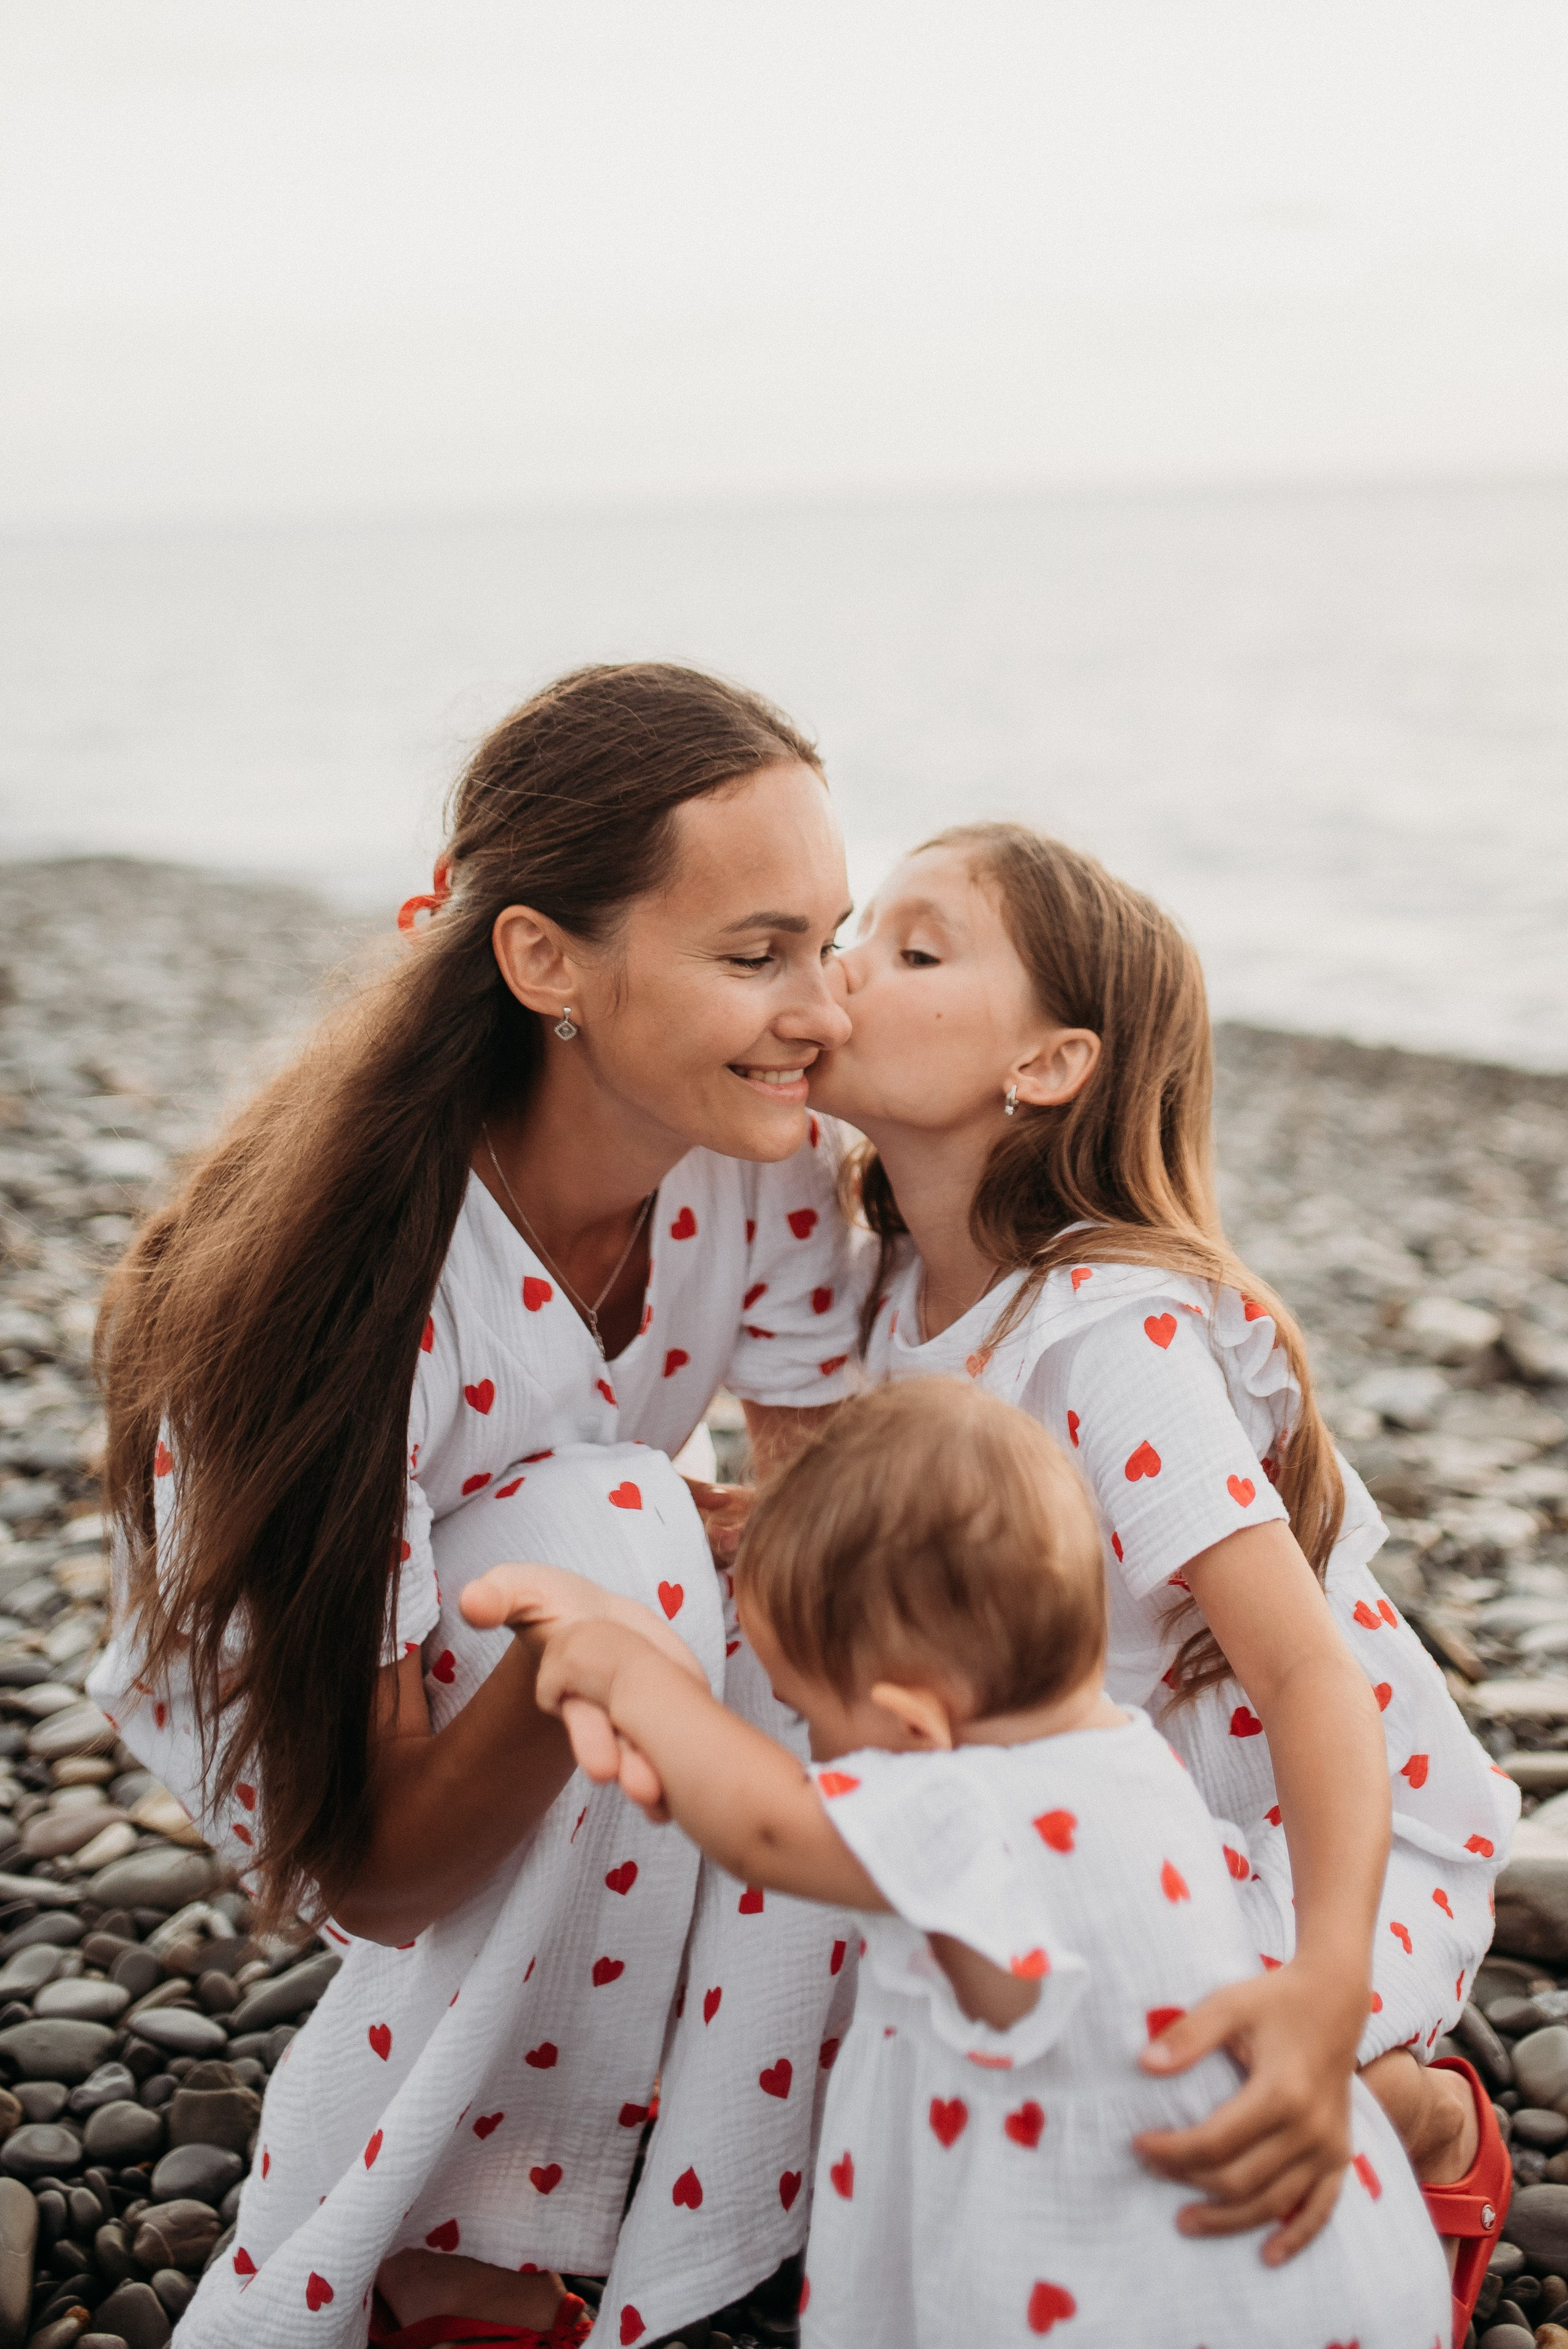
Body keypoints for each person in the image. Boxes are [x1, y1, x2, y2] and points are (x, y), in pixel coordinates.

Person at [89, 663, 866, 2349]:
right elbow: (371, 1872)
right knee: (628, 1532)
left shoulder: (767, 1165)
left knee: (827, 1592)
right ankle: (445, 2247)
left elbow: (831, 1542)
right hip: (316, 1700)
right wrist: (589, 1663)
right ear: (542, 961)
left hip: (549, 1574)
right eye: (758, 955)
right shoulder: (352, 1291)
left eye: (836, 942)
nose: (827, 1011)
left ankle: (735, 2189)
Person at [799, 821, 1515, 2341]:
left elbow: (1308, 1673)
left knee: (1170, 2056)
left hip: (1301, 1837)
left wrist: (1322, 1985)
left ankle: (1423, 2118)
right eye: (855, 929)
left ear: (1046, 1063)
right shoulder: (880, 1289)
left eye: (913, 951)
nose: (844, 967)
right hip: (1091, 1812)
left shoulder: (1101, 1334)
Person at [505, 1379, 1452, 2349]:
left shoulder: (971, 1805)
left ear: (913, 1725)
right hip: (1301, 2262)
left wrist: (628, 1671)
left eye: (804, 1713)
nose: (807, 1749)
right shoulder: (1119, 1761)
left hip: (1151, 2289)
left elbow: (765, 1828)